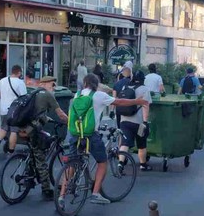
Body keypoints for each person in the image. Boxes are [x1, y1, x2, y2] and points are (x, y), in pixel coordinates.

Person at [63, 74, 148, 205]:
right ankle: (96, 194)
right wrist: (137, 101)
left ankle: (61, 195)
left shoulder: (77, 95)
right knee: (102, 163)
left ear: (85, 83)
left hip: (75, 134)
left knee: (72, 163)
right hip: (91, 135)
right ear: (96, 84)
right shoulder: (99, 96)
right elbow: (119, 102)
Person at [17, 76, 68, 200]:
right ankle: (46, 190)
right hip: (33, 129)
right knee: (41, 159)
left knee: (34, 153)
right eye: (53, 84)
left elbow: (39, 114)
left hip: (23, 127)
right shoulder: (48, 95)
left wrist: (48, 120)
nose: (54, 87)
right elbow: (60, 114)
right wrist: (71, 123)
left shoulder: (33, 93)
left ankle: (29, 177)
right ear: (45, 84)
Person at [118, 71, 152, 171]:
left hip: (124, 121)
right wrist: (145, 122)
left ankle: (120, 163)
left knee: (125, 143)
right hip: (139, 123)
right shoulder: (145, 89)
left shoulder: (125, 87)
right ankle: (143, 164)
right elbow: (146, 106)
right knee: (141, 144)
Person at [0, 65, 26, 158]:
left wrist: (1, 97)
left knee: (4, 127)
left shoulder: (2, 80)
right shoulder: (20, 83)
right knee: (14, 131)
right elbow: (24, 97)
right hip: (14, 111)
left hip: (3, 109)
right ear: (19, 72)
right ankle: (10, 152)